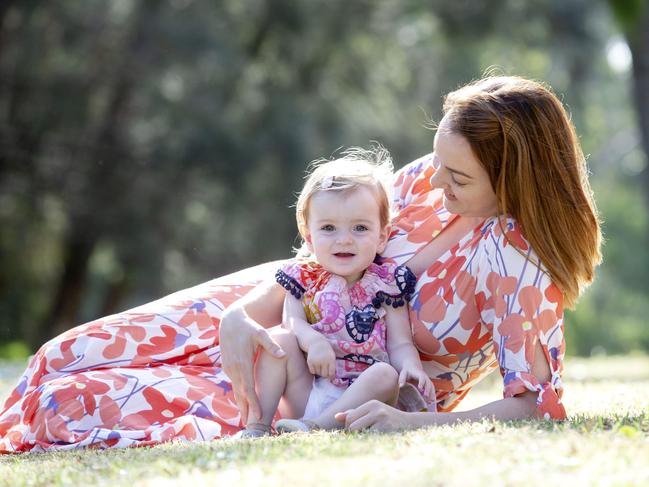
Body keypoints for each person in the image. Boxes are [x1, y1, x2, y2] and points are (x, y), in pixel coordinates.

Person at [0, 75, 601, 453]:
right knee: (62, 355)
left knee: (65, 402)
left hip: (323, 389)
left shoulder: (516, 262)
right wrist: (240, 313)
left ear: (515, 175)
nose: (434, 179)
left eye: (459, 177)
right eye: (438, 161)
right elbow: (325, 242)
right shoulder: (429, 176)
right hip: (273, 303)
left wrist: (412, 427)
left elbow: (536, 406)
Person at [235, 151, 434, 438]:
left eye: (360, 228)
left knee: (386, 375)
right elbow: (292, 322)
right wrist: (313, 340)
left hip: (361, 399)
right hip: (310, 390)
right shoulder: (302, 277)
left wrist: (411, 365)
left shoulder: (387, 283)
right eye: (328, 228)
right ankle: (258, 425)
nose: (344, 239)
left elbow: (401, 343)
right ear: (309, 237)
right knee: (277, 341)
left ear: (381, 237)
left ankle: (316, 428)